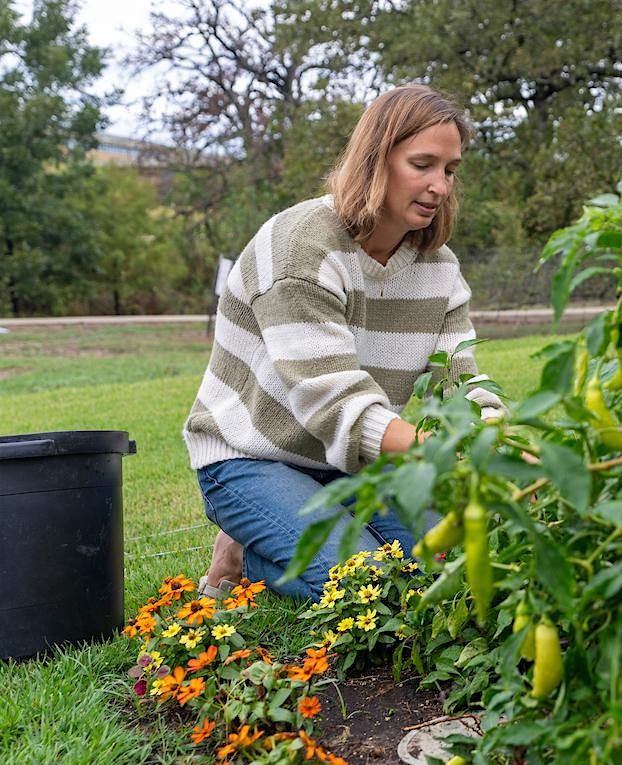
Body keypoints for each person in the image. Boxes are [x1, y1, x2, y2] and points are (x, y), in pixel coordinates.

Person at [184, 85, 503, 603]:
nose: (440, 185)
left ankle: (295, 527)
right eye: (422, 164)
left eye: (449, 170)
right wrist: (443, 452)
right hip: (253, 459)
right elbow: (336, 404)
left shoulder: (439, 270)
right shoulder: (300, 248)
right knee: (373, 590)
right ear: (376, 160)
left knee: (450, 572)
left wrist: (495, 434)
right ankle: (250, 547)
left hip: (354, 465)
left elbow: (460, 380)